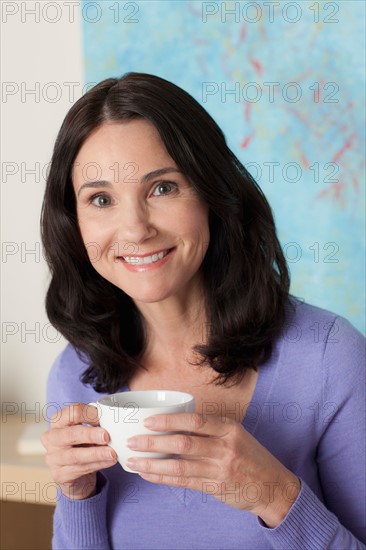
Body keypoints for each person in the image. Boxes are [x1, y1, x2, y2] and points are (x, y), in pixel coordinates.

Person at [41, 72, 365, 550]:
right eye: (102, 199)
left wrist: (274, 496)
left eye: (163, 188)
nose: (135, 229)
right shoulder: (77, 373)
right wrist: (78, 494)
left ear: (212, 195)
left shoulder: (328, 357)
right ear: (74, 222)